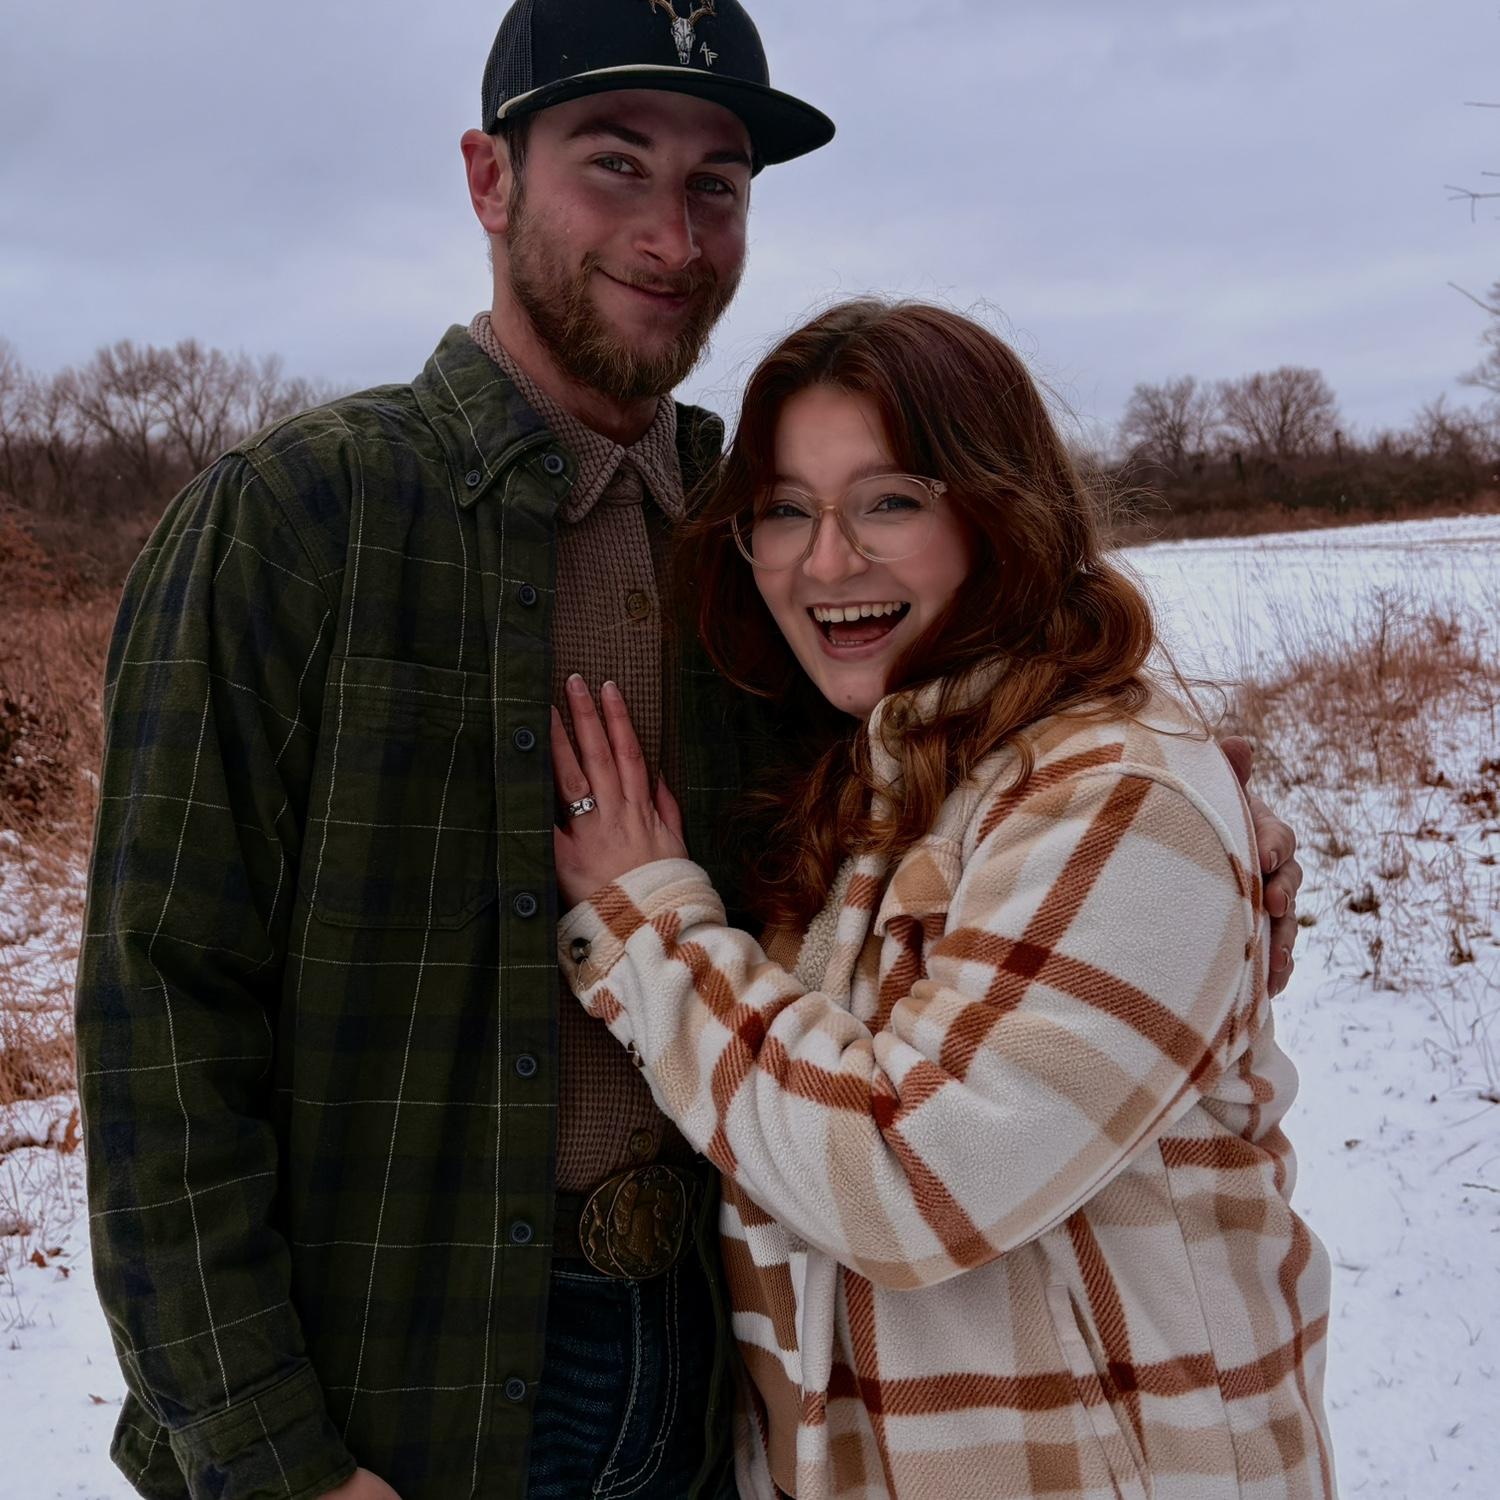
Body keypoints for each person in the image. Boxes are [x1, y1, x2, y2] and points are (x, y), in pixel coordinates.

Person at [74, 2, 1302, 1497]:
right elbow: (162, 1018)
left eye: (715, 182)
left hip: (731, 1359)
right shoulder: (296, 519)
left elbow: (938, 766)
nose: (674, 233)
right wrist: (268, 1454)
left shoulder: (755, 525)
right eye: (614, 163)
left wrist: (1206, 815)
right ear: (489, 179)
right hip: (409, 1384)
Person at [549, 300, 1335, 1499]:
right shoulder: (865, 781)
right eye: (786, 511)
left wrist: (653, 932)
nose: (827, 560)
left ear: (997, 509)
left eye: (890, 500)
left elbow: (914, 1181)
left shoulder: (1124, 793)